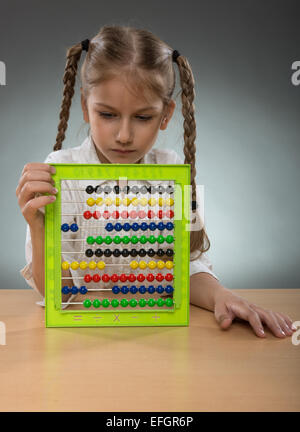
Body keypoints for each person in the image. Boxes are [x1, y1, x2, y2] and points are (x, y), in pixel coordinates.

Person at [16, 25, 296, 337]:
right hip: (82, 334)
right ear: (85, 106)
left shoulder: (172, 170)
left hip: (159, 332)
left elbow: (186, 267)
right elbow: (58, 295)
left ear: (166, 114)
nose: (124, 136)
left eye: (143, 117)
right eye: (108, 115)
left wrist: (222, 295)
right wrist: (39, 231)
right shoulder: (59, 175)